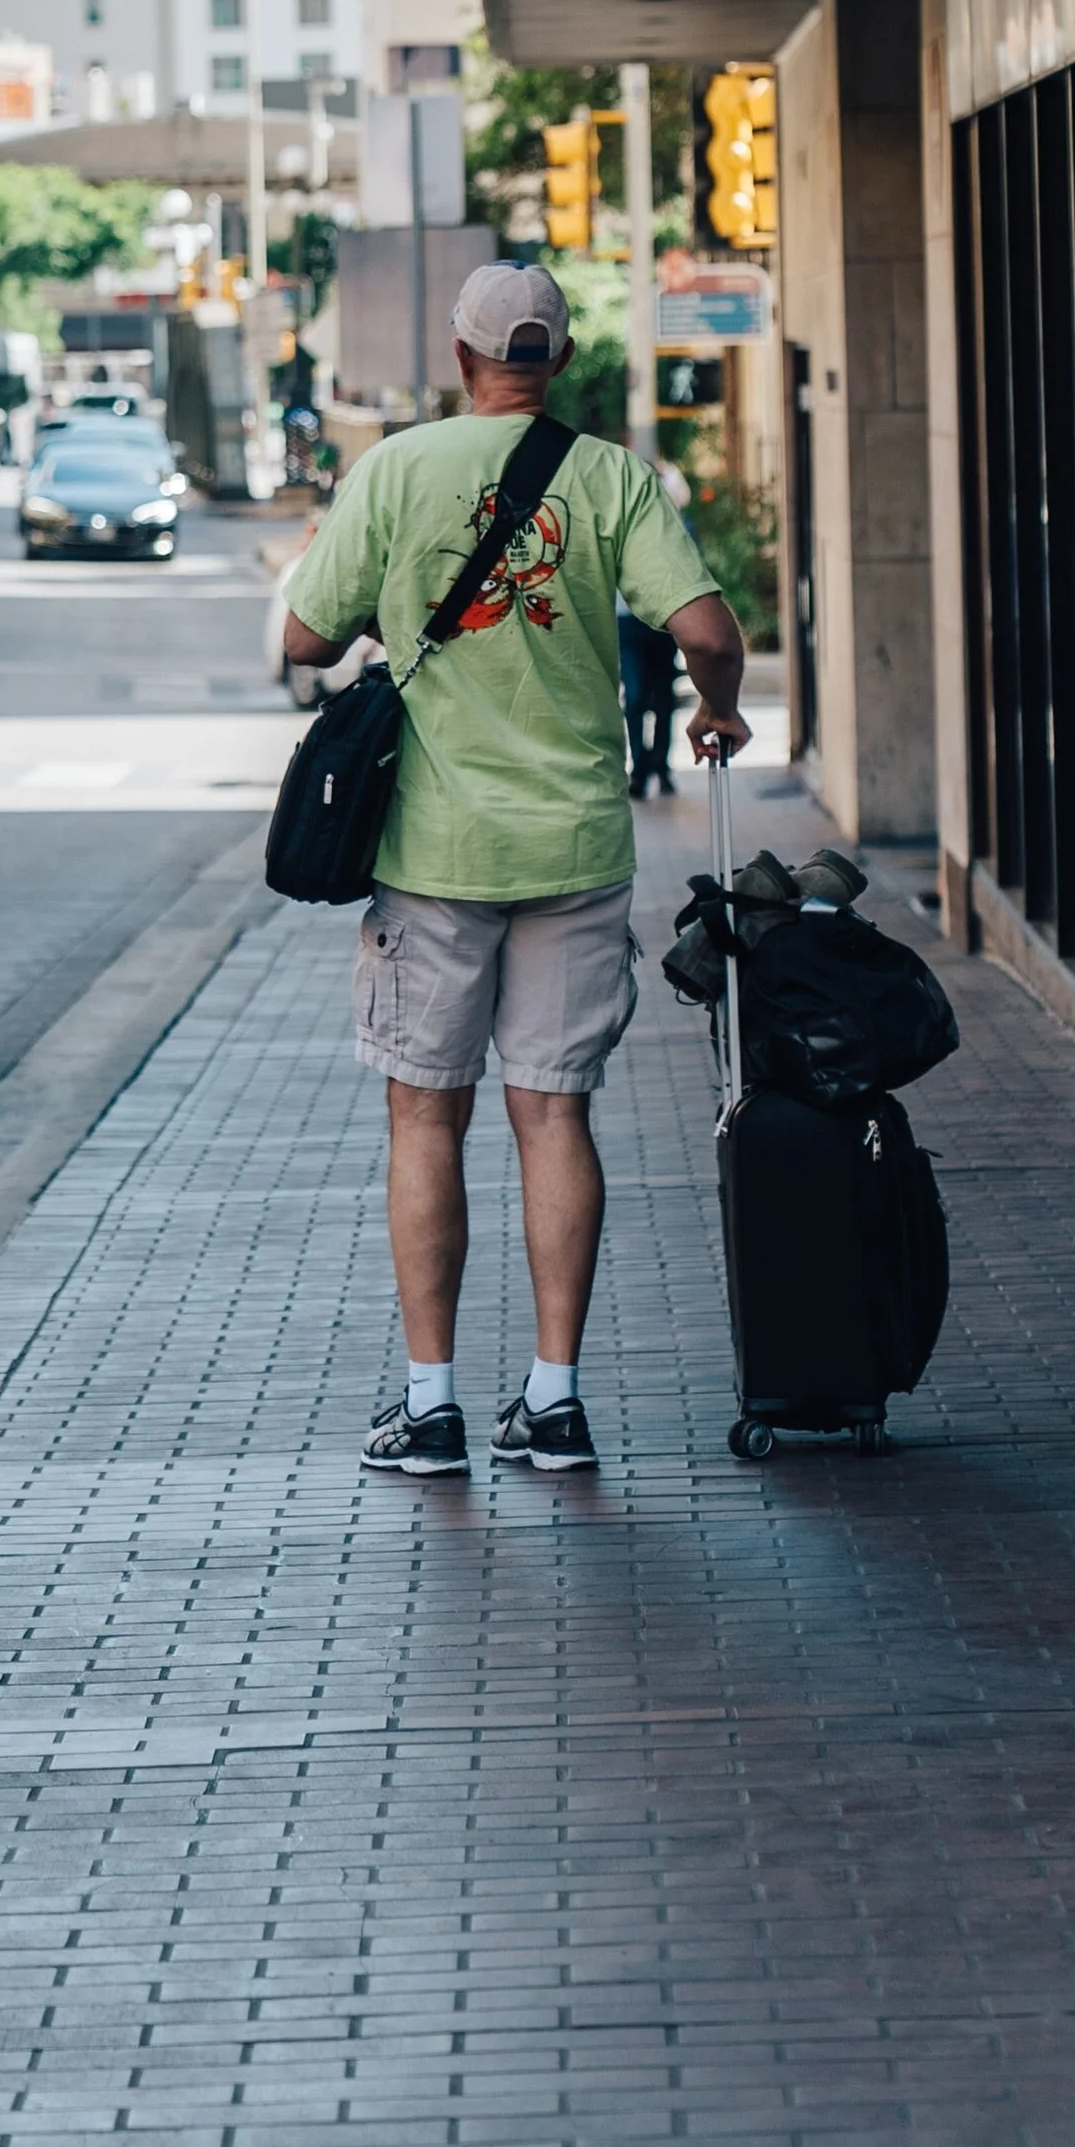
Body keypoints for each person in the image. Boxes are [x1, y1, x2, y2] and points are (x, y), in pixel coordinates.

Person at [282, 261, 750, 1476]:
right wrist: (718, 712)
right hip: (575, 845)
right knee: (553, 1114)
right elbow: (703, 627)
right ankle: (553, 1398)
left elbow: (302, 636)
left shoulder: (394, 469)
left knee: (423, 1115)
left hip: (434, 851)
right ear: (560, 360)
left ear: (459, 354)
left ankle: (430, 1405)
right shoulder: (607, 477)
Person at [617, 595, 680, 796]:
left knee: (664, 700)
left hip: (663, 620)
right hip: (627, 620)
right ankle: (639, 769)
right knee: (634, 697)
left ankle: (661, 766)